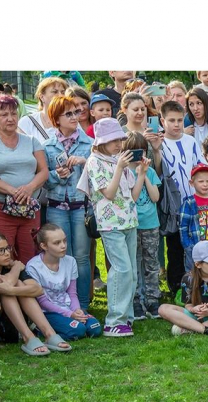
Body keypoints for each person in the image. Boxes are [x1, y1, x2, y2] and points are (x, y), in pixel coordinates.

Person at [78, 117, 146, 337]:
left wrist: (141, 174)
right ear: (100, 142)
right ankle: (113, 321)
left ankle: (125, 317)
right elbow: (108, 192)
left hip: (129, 221)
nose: (118, 144)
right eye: (113, 140)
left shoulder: (120, 160)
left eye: (120, 139)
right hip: (110, 224)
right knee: (121, 269)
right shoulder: (94, 162)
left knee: (131, 272)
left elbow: (132, 197)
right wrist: (119, 167)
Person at [0, 94, 48, 264]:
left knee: (30, 254)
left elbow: (43, 171)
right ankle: (5, 289)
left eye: (14, 114)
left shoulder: (31, 141)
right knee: (1, 256)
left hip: (29, 208)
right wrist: (13, 191)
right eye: (4, 114)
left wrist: (29, 188)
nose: (10, 118)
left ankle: (28, 288)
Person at [0, 230, 71, 355]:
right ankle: (28, 337)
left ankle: (49, 334)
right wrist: (16, 267)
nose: (7, 253)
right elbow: (5, 284)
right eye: (1, 250)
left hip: (11, 322)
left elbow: (37, 289)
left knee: (16, 285)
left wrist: (13, 289)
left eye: (8, 248)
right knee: (8, 288)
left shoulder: (9, 267)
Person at [42, 95, 94, 309]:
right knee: (62, 257)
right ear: (56, 118)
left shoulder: (89, 144)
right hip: (56, 207)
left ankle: (82, 304)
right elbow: (42, 178)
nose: (75, 116)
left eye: (76, 112)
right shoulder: (47, 145)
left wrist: (85, 163)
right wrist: (56, 175)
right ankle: (63, 303)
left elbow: (100, 176)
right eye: (69, 114)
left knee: (81, 257)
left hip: (80, 206)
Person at [25, 224, 102, 341]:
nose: (63, 246)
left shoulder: (70, 261)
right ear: (44, 246)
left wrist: (76, 310)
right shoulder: (33, 266)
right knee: (79, 330)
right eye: (57, 243)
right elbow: (42, 301)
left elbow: (72, 293)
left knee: (94, 328)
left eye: (64, 241)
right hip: (47, 312)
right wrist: (69, 314)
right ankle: (40, 330)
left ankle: (68, 330)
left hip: (69, 308)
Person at [160, 100, 205, 293]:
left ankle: (197, 284)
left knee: (194, 242)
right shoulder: (160, 143)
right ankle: (176, 285)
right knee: (175, 246)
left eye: (179, 120)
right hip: (171, 205)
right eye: (171, 120)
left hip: (192, 202)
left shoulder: (190, 141)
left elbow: (201, 166)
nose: (176, 124)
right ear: (162, 121)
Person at [122, 131, 162, 320]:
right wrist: (138, 175)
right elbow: (133, 198)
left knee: (152, 262)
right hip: (133, 224)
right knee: (135, 262)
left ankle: (153, 299)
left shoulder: (151, 171)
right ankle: (137, 299)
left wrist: (145, 174)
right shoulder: (124, 172)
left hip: (151, 223)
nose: (140, 156)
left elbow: (155, 197)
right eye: (135, 152)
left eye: (143, 152)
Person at [158, 241, 208, 336]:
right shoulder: (188, 278)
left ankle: (191, 328)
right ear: (198, 264)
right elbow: (188, 305)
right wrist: (194, 309)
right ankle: (206, 329)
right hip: (195, 316)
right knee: (163, 309)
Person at [18, 76, 68, 144]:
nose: (60, 95)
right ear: (42, 97)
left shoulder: (72, 119)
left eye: (63, 92)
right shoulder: (27, 122)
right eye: (55, 92)